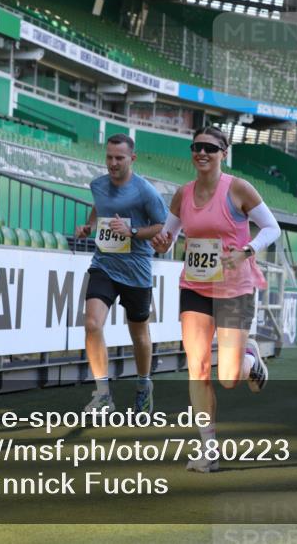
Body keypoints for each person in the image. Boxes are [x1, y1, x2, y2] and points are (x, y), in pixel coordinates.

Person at [151, 125, 281, 473]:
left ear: (224, 152)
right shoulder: (183, 194)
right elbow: (169, 233)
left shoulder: (237, 188)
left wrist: (246, 250)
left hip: (235, 288)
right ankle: (208, 449)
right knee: (196, 368)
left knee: (229, 377)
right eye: (196, 147)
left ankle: (251, 358)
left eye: (210, 147)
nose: (202, 153)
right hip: (195, 286)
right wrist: (162, 243)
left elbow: (272, 228)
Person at [75, 134, 168, 416]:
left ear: (132, 159)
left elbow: (161, 225)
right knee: (92, 323)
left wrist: (133, 232)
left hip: (137, 270)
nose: (113, 163)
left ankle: (143, 386)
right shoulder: (97, 185)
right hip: (104, 264)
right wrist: (89, 226)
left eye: (119, 158)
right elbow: (100, 206)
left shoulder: (146, 192)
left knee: (138, 333)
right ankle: (103, 392)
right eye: (109, 157)